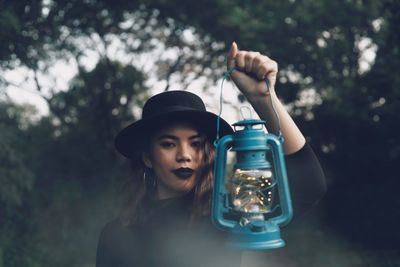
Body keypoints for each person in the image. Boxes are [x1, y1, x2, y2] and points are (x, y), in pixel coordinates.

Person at [96, 42, 326, 267]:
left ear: (209, 153)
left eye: (196, 144)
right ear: (147, 157)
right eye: (168, 144)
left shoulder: (230, 215)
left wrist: (263, 98)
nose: (184, 155)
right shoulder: (116, 234)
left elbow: (309, 183)